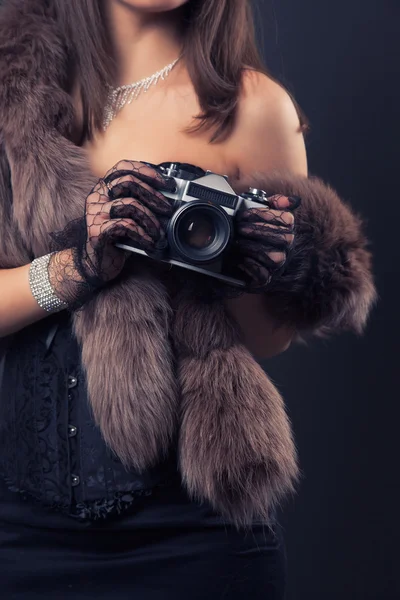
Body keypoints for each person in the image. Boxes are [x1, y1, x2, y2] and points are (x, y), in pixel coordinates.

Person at [0, 0, 376, 598]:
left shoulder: (255, 109)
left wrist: (254, 266)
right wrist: (79, 267)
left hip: (193, 530)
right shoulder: (11, 86)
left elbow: (267, 338)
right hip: (18, 531)